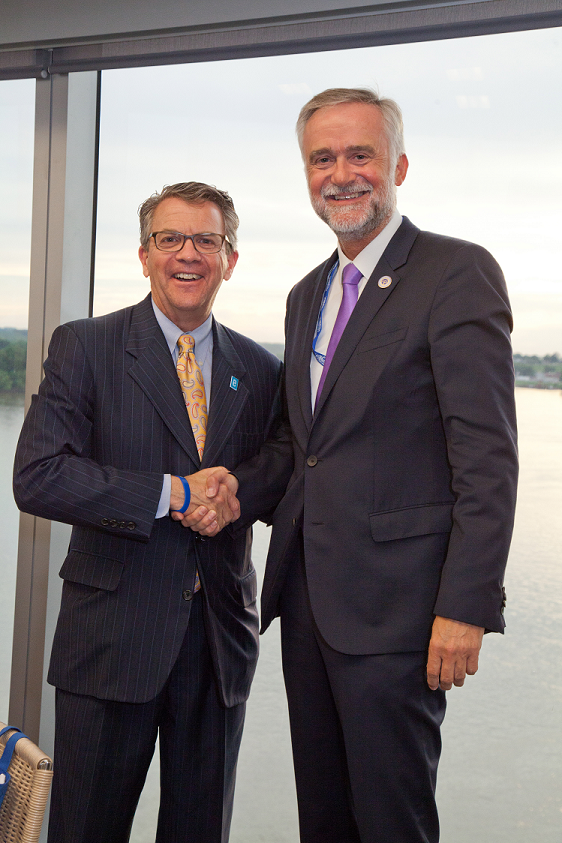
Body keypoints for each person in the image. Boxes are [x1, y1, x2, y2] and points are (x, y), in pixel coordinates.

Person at [202, 88, 518, 842]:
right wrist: (236, 488)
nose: (341, 173)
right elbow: (302, 449)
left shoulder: (455, 272)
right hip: (309, 603)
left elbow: (487, 458)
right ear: (307, 174)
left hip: (402, 613)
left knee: (391, 819)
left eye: (360, 154)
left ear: (398, 164)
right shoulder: (306, 293)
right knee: (327, 818)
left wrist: (466, 606)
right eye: (322, 158)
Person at [13, 181, 282, 843]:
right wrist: (172, 494)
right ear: (143, 254)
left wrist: (233, 494)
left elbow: (282, 467)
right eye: (170, 239)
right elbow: (38, 476)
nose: (187, 254)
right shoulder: (87, 347)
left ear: (230, 257)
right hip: (111, 642)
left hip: (218, 648)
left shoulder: (260, 368)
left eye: (206, 240)